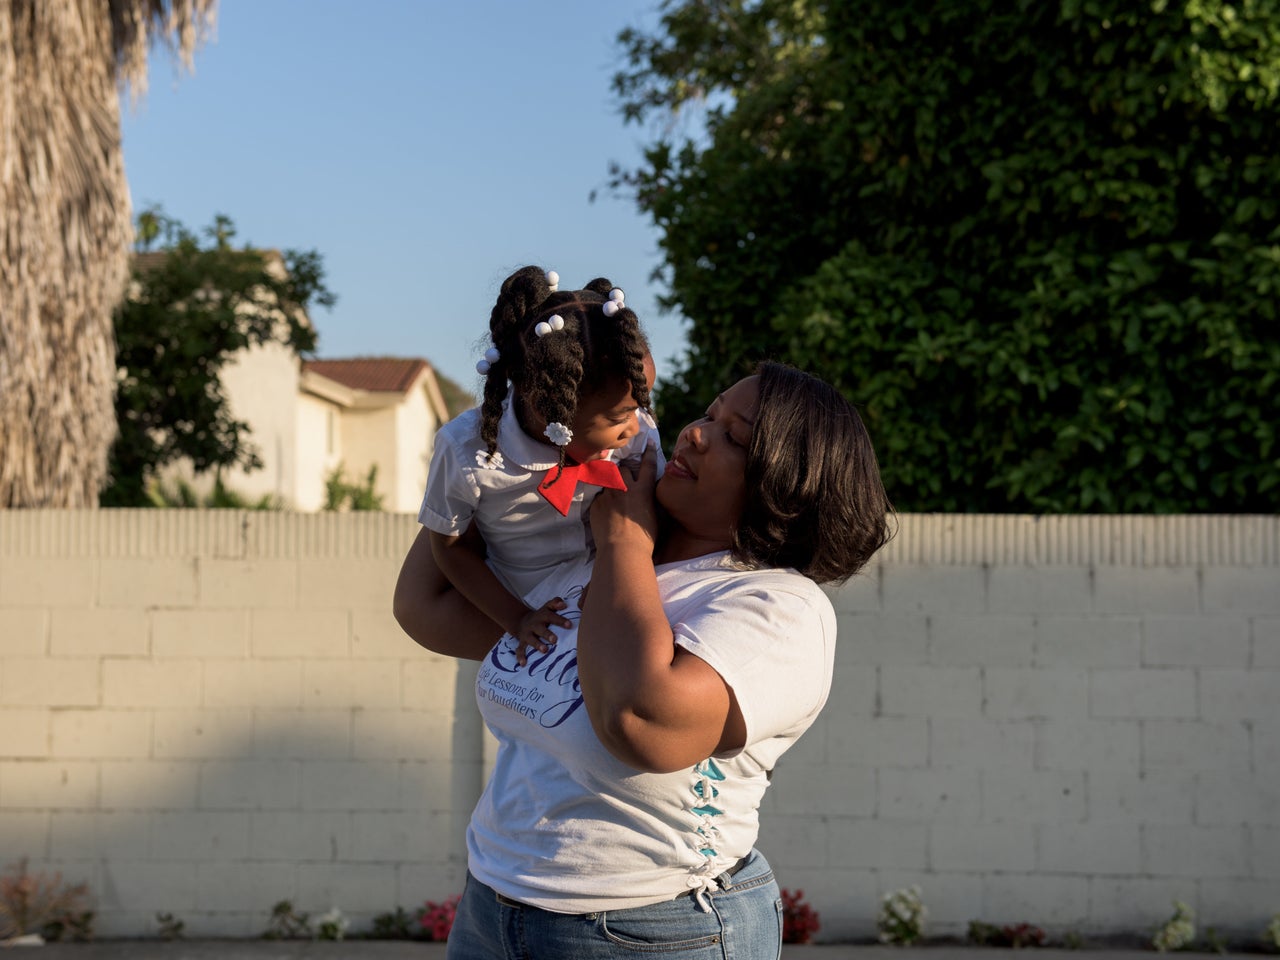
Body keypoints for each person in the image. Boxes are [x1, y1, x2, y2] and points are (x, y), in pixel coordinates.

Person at [394, 362, 892, 960]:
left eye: (734, 436)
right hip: (492, 907)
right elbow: (428, 605)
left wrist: (625, 537)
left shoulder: (777, 606)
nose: (695, 434)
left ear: (786, 485)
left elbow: (641, 722)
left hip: (654, 928)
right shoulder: (589, 559)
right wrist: (511, 431)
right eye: (708, 414)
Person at [420, 265, 662, 658]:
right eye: (619, 418)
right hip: (523, 613)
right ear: (548, 407)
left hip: (610, 604)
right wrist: (516, 619)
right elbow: (450, 549)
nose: (636, 428)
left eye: (638, 408)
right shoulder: (469, 453)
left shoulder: (637, 440)